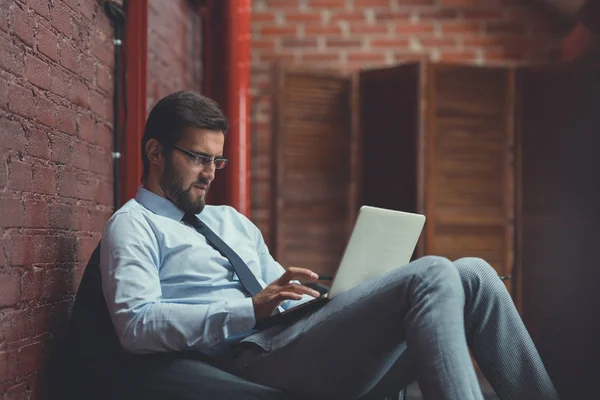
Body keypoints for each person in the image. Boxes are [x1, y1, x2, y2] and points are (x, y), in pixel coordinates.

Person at [99, 90, 559, 400]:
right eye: (199, 158)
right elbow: (135, 326)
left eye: (217, 160)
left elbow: (276, 294)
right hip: (249, 361)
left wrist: (342, 296)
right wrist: (250, 310)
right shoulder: (134, 226)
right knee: (433, 272)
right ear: (156, 153)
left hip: (297, 338)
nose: (210, 173)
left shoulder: (229, 221)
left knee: (473, 274)